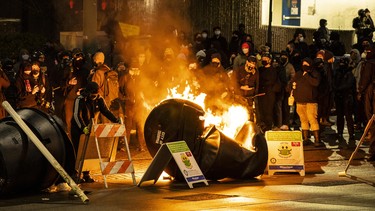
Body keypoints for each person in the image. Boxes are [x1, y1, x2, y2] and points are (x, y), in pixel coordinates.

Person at [71, 81, 120, 182]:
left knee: (89, 151)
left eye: (96, 94)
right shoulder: (80, 99)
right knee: (77, 151)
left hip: (91, 128)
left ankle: (86, 174)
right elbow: (76, 115)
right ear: (88, 93)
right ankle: (74, 173)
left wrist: (116, 120)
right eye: (92, 95)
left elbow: (105, 111)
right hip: (78, 128)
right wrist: (83, 128)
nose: (94, 97)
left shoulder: (99, 99)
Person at [291, 58, 322, 147]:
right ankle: (305, 138)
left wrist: (307, 75)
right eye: (303, 64)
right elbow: (293, 83)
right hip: (300, 101)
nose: (304, 66)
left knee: (312, 119)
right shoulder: (298, 74)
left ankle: (317, 139)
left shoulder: (315, 73)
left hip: (311, 101)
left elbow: (315, 83)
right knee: (303, 120)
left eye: (307, 64)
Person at [333, 57, 355, 143]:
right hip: (341, 96)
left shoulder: (349, 73)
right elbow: (334, 83)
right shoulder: (338, 72)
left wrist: (338, 88)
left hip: (346, 97)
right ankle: (340, 132)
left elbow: (349, 84)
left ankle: (351, 133)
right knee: (341, 116)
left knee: (348, 116)